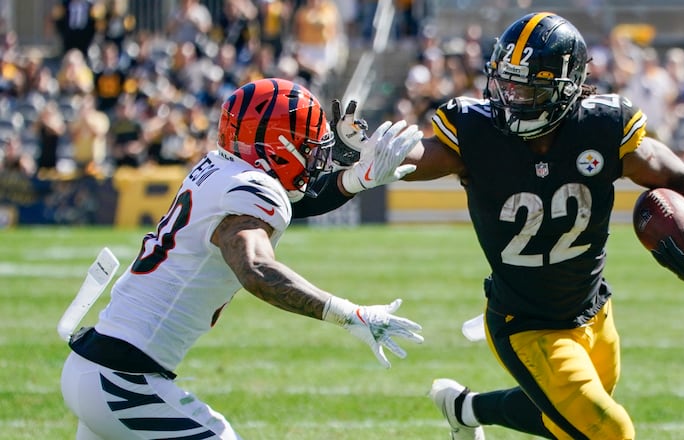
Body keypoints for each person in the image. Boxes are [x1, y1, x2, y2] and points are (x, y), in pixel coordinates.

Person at [338, 12, 684, 440]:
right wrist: (368, 154)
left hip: (594, 310)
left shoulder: (602, 128)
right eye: (507, 84)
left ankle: (462, 408)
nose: (512, 98)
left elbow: (680, 178)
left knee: (566, 421)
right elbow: (416, 158)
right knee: (611, 431)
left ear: (568, 88)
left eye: (527, 89)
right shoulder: (478, 133)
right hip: (525, 323)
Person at [59, 78, 424, 439]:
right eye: (309, 148)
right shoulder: (250, 190)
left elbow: (283, 206)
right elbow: (256, 268)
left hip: (94, 365)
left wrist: (355, 179)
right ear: (278, 147)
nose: (318, 159)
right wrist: (348, 314)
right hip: (124, 381)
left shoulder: (220, 169)